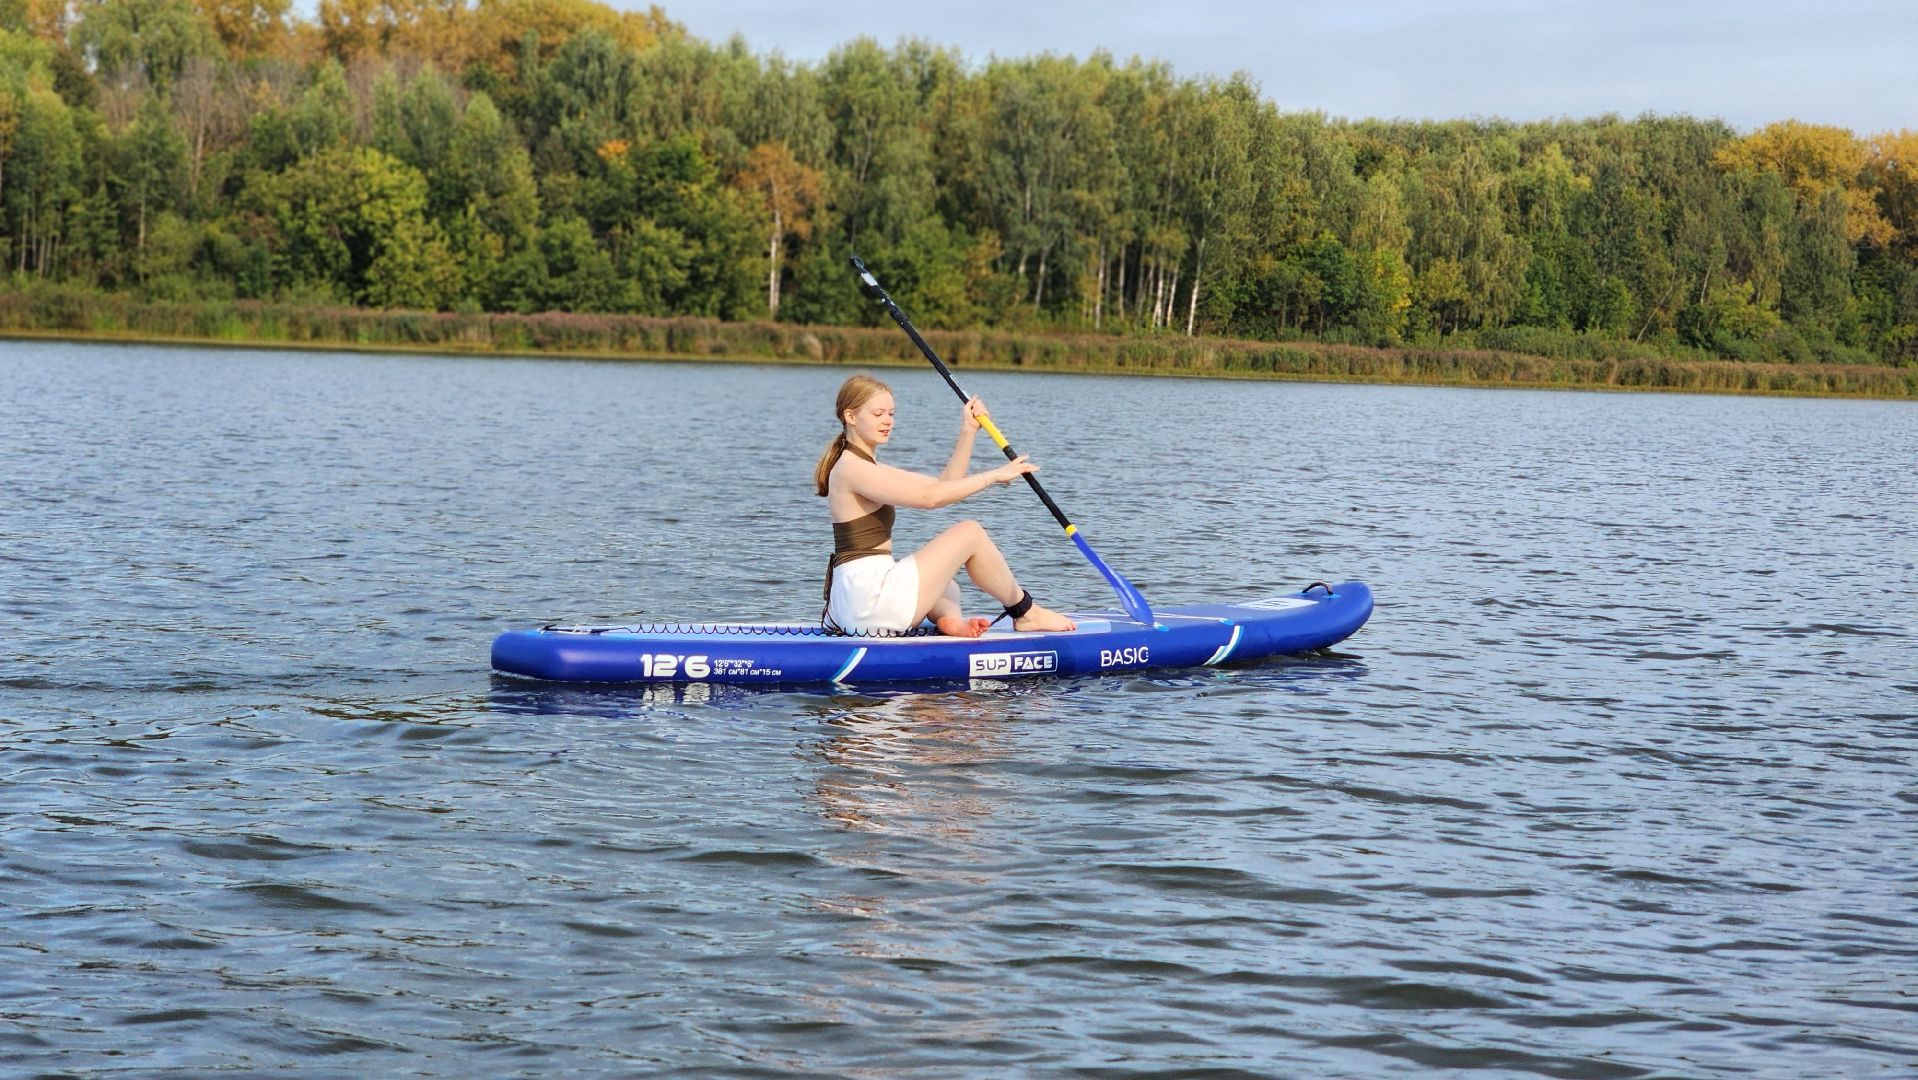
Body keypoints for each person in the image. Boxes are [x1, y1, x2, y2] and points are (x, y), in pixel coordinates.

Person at [816, 374, 1077, 637]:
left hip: (858, 598)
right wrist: (994, 476)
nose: (888, 421)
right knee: (970, 533)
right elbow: (931, 498)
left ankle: (950, 621)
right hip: (868, 603)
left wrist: (968, 431)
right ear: (850, 416)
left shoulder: (865, 466)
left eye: (891, 413)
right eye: (878, 414)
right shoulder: (853, 468)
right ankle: (1025, 612)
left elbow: (944, 485)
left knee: (947, 586)